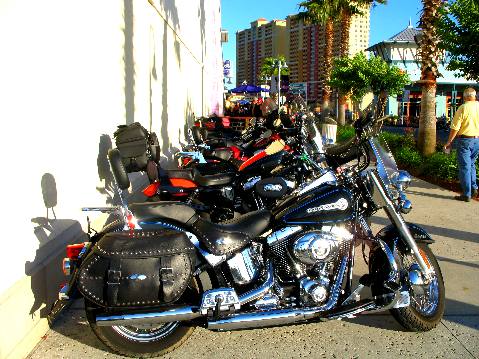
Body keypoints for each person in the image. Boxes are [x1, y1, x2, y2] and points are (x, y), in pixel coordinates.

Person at [444, 87, 479, 202]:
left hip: (465, 141)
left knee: (464, 167)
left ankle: (466, 194)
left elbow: (455, 127)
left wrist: (449, 142)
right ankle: (474, 188)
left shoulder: (463, 108)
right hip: (477, 140)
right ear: (474, 96)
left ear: (465, 97)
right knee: (472, 164)